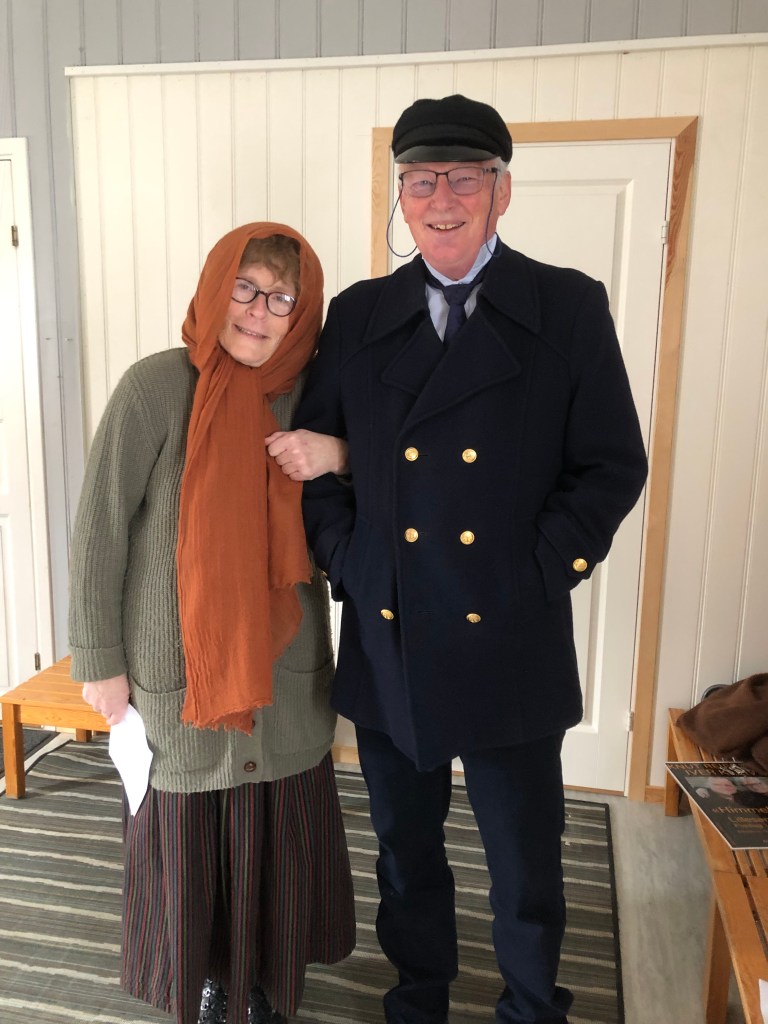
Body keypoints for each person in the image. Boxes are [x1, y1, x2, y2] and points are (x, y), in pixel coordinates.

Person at [291, 95, 649, 1024]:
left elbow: (612, 466)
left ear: (502, 191)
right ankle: (418, 999)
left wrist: (539, 572)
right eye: (420, 180)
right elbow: (315, 464)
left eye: (463, 178)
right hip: (391, 628)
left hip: (511, 633)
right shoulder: (359, 314)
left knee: (525, 858)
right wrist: (353, 564)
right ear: (401, 196)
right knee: (406, 851)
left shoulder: (567, 305)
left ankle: (532, 1007)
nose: (440, 199)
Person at [69, 223, 355, 1024]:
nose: (259, 312)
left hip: (284, 674)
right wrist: (98, 659)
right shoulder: (154, 388)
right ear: (215, 287)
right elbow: (99, 531)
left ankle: (265, 982)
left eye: (281, 298)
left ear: (302, 312)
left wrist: (338, 451)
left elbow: (385, 475)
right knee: (192, 836)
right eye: (245, 288)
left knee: (276, 837)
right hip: (179, 674)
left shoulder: (314, 394)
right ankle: (205, 979)